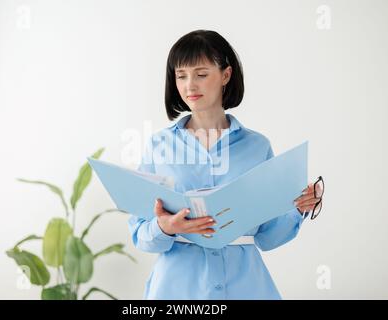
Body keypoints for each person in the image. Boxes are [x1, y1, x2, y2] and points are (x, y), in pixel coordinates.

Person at [127, 30, 324, 300]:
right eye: (181, 75)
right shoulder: (158, 146)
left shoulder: (257, 147)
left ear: (226, 75)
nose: (189, 86)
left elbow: (268, 237)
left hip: (247, 287)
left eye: (201, 74)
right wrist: (166, 228)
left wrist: (298, 209)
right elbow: (140, 234)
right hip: (177, 291)